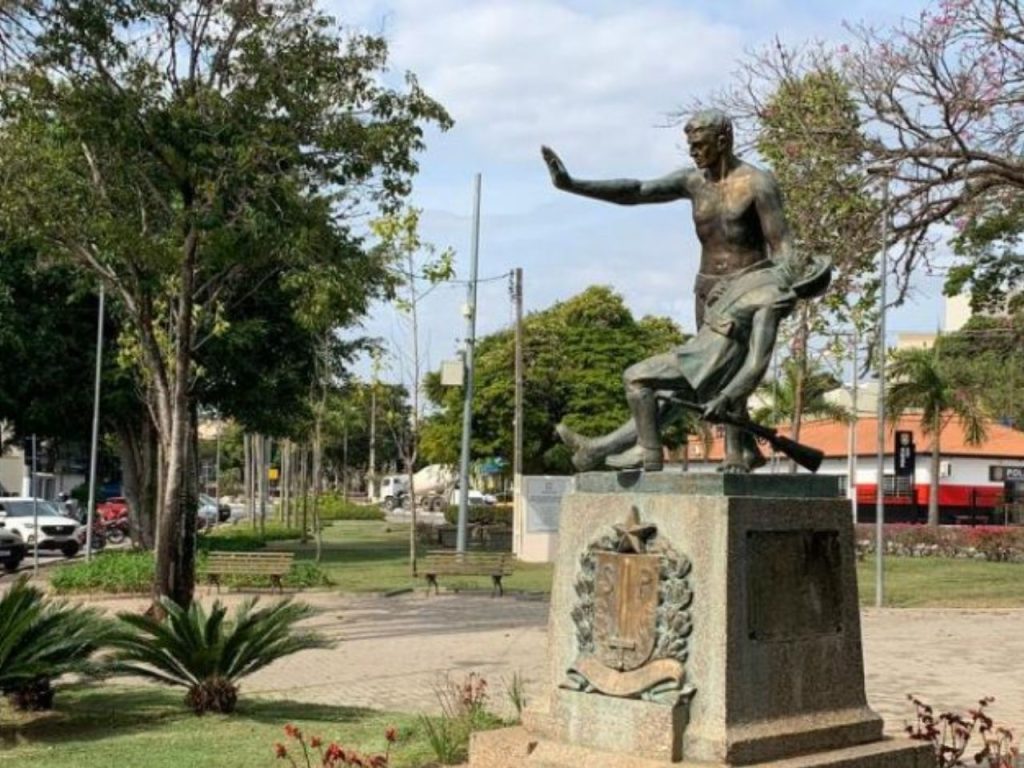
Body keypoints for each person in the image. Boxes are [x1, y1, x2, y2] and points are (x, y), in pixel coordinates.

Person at [541, 109, 796, 471]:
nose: (693, 152)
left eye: (700, 145)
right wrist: (574, 184)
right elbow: (637, 191)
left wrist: (776, 295)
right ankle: (733, 450)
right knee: (702, 378)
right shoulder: (693, 183)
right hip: (707, 291)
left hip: (745, 292)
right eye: (690, 146)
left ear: (723, 141)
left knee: (718, 374)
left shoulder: (758, 183)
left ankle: (734, 453)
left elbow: (783, 248)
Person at [557, 254, 831, 472]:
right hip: (700, 348)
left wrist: (725, 397)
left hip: (713, 360)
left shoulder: (776, 300)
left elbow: (758, 360)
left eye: (809, 264)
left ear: (804, 277)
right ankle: (596, 449)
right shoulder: (766, 276)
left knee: (636, 377)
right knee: (658, 408)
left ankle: (648, 451)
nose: (802, 256)